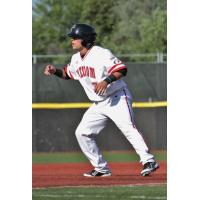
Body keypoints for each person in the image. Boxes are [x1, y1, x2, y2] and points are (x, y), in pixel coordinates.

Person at [44, 23, 159, 177]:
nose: (72, 40)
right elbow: (68, 74)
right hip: (98, 103)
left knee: (127, 127)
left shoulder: (101, 53)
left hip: (117, 97)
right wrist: (55, 71)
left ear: (85, 39)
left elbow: (121, 69)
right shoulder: (76, 58)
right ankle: (101, 168)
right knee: (82, 133)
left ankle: (148, 160)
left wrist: (106, 81)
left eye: (75, 37)